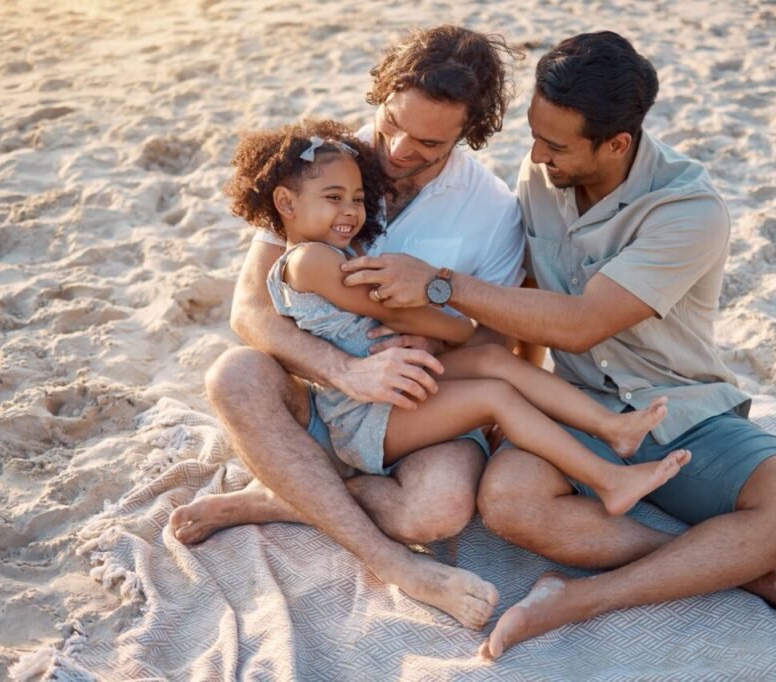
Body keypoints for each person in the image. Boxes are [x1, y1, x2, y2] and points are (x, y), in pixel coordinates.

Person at [340, 31, 776, 658]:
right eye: (533, 134)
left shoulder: (687, 209)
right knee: (508, 503)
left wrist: (438, 285)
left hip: (679, 407)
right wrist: (505, 396)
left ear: (617, 144)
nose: (536, 154)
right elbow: (520, 297)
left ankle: (577, 599)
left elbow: (579, 324)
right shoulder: (541, 173)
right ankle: (730, 563)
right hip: (570, 403)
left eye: (554, 144)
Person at [169, 26, 527, 631]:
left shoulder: (493, 209)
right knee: (233, 373)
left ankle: (283, 497)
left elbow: (497, 339)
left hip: (418, 405)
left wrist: (432, 335)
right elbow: (249, 309)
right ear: (382, 93)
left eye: (428, 143)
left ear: (470, 133)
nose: (397, 150)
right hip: (317, 391)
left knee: (436, 515)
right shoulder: (321, 161)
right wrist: (343, 370)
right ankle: (395, 564)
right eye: (392, 122)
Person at [226, 118, 689, 516]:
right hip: (365, 414)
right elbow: (401, 315)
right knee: (494, 396)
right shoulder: (310, 262)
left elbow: (409, 319)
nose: (350, 211)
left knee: (494, 362)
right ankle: (609, 481)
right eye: (334, 197)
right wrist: (456, 327)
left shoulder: (340, 250)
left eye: (357, 198)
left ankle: (612, 429)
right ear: (286, 204)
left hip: (401, 377)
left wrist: (448, 327)